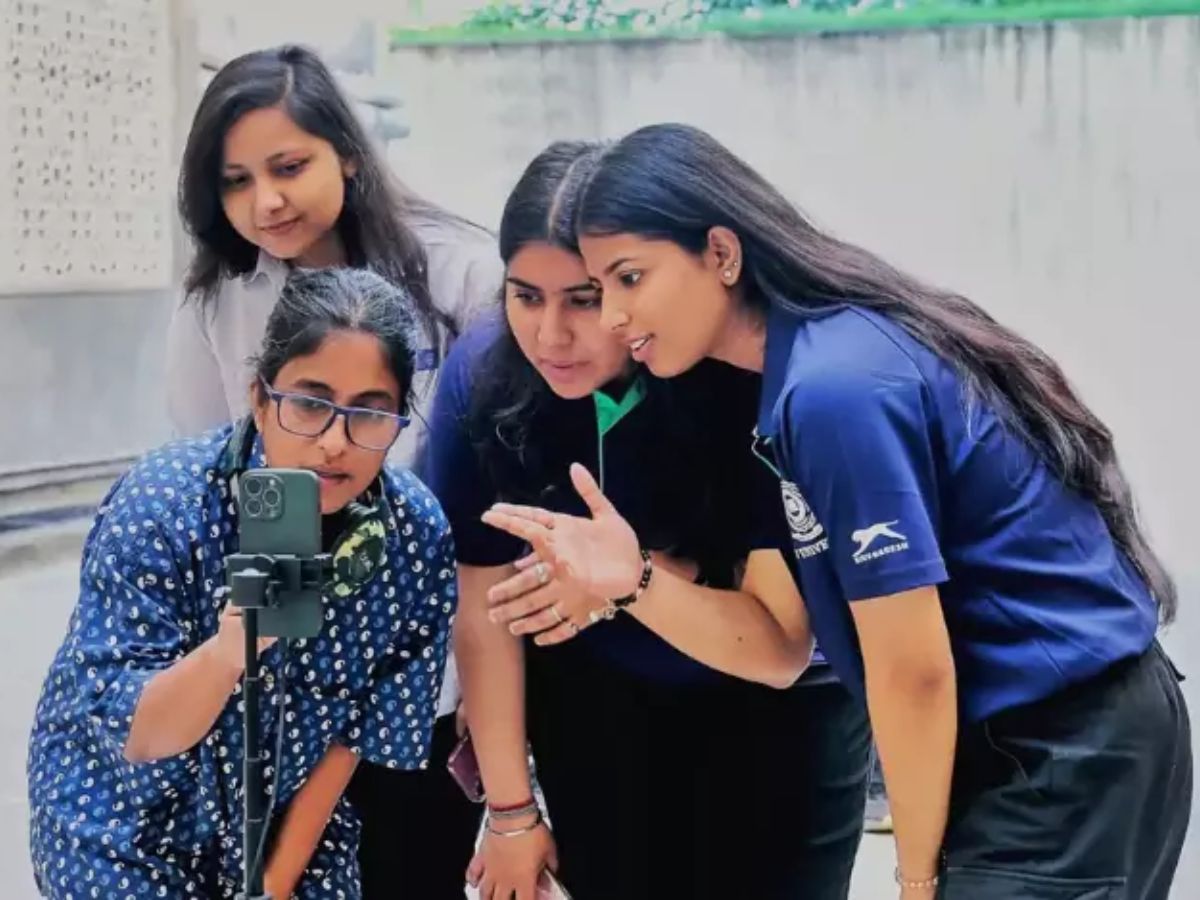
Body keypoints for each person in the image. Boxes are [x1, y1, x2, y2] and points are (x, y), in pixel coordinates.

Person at [490, 123, 1191, 899]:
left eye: (628, 279)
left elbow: (911, 669)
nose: (613, 318)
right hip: (1058, 742)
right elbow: (788, 644)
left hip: (1063, 749)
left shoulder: (833, 388)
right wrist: (635, 579)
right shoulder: (800, 369)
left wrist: (918, 880)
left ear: (721, 255)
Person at [425, 141, 870, 900]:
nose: (551, 335)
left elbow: (779, 646)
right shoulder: (484, 376)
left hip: (777, 710)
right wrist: (508, 812)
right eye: (525, 295)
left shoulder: (739, 376)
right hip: (599, 699)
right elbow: (485, 601)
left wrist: (628, 583)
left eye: (585, 299)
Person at [168, 45, 498, 897]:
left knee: (409, 866)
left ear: (348, 154)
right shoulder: (221, 299)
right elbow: (209, 480)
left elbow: (494, 472)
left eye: (288, 166)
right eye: (235, 181)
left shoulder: (456, 272)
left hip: (426, 673)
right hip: (280, 682)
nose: (264, 201)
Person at [28, 268, 456, 899]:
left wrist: (274, 884)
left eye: (369, 413)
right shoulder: (164, 504)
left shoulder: (413, 536)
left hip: (288, 830)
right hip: (121, 826)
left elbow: (355, 737)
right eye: (310, 403)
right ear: (260, 397)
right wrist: (234, 649)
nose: (335, 443)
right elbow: (139, 735)